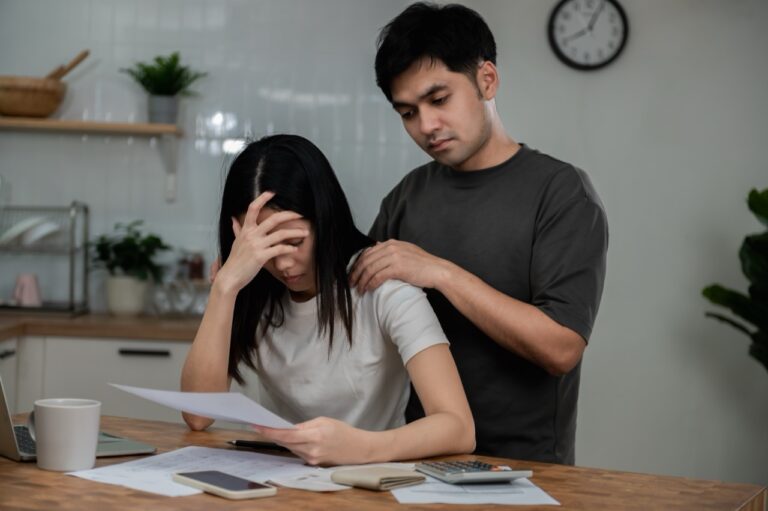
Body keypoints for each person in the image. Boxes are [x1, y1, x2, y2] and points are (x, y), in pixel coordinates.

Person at [350, 2, 608, 465]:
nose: (426, 126)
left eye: (439, 99)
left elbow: (561, 346)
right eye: (407, 112)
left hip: (526, 472)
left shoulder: (562, 192)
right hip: (418, 462)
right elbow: (354, 305)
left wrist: (441, 274)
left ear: (486, 79)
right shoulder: (408, 195)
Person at [181, 134, 474, 466]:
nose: (283, 264)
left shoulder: (384, 290)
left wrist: (363, 448)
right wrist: (225, 289)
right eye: (266, 249)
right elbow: (197, 416)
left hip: (373, 479)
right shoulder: (249, 287)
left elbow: (459, 428)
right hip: (281, 480)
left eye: (293, 241)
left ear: (325, 219)